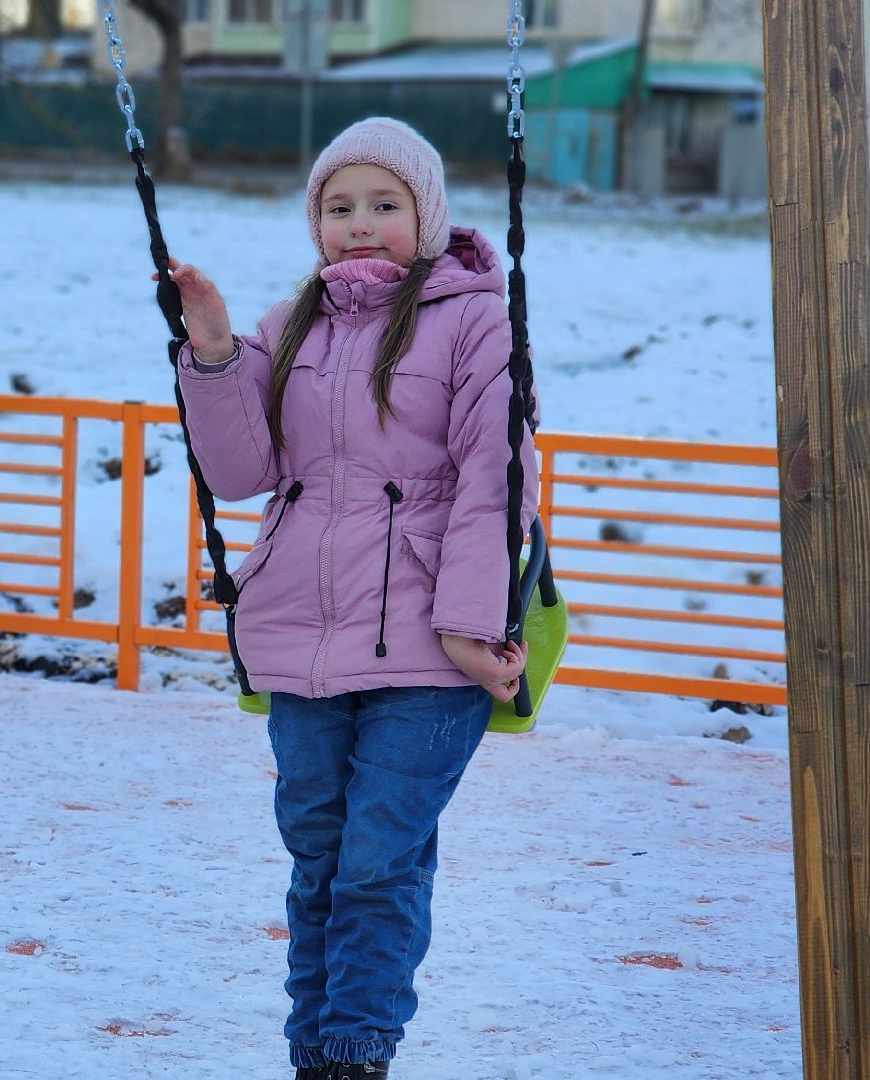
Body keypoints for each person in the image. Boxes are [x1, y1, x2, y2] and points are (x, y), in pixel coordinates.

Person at [169, 117, 537, 1079]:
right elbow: (240, 469)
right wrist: (211, 352)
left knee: (378, 858)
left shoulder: (474, 319)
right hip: (304, 637)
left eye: (384, 204)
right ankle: (313, 1049)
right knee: (320, 857)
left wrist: (470, 626)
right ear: (315, 222)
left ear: (426, 214)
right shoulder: (291, 322)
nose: (359, 224)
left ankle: (357, 1050)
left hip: (428, 646)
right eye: (339, 207)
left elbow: (492, 481)